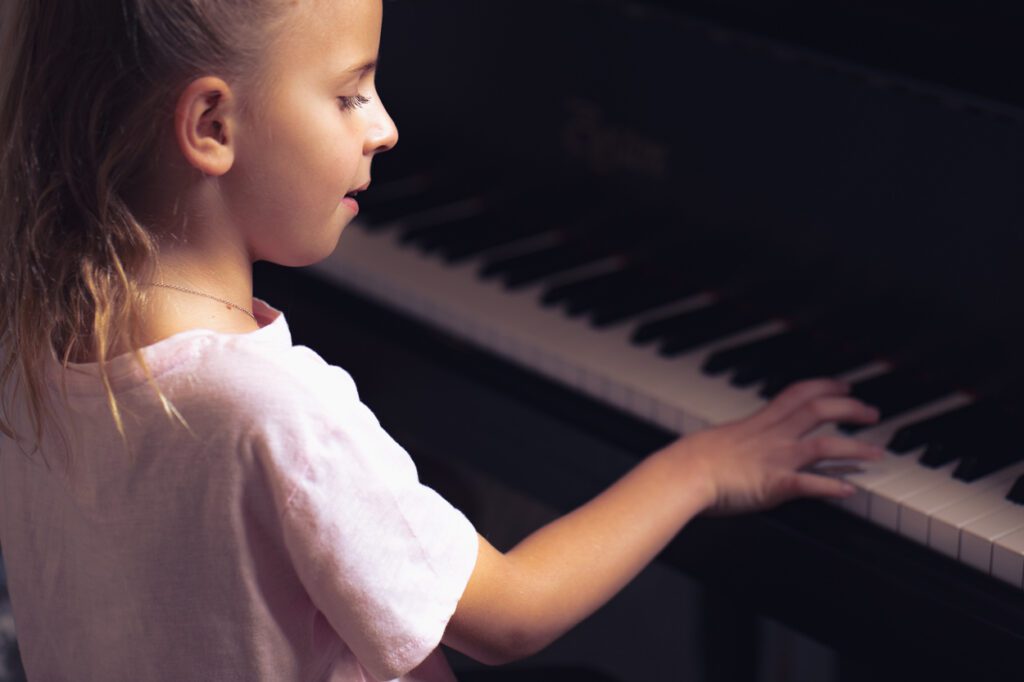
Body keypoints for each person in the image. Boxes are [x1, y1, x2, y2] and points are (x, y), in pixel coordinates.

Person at [0, 0, 885, 680]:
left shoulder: (30, 348)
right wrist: (698, 468)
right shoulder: (275, 410)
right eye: (349, 92)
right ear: (212, 128)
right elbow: (510, 618)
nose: (383, 126)